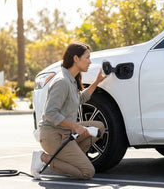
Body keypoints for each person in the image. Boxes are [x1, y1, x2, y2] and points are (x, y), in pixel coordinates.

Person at [31, 42, 107, 180]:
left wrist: (97, 82)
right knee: (87, 172)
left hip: (66, 133)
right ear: (76, 59)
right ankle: (43, 158)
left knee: (99, 127)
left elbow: (80, 98)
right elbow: (50, 113)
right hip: (53, 135)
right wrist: (75, 126)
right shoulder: (62, 82)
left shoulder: (71, 80)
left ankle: (70, 158)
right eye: (87, 58)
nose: (90, 62)